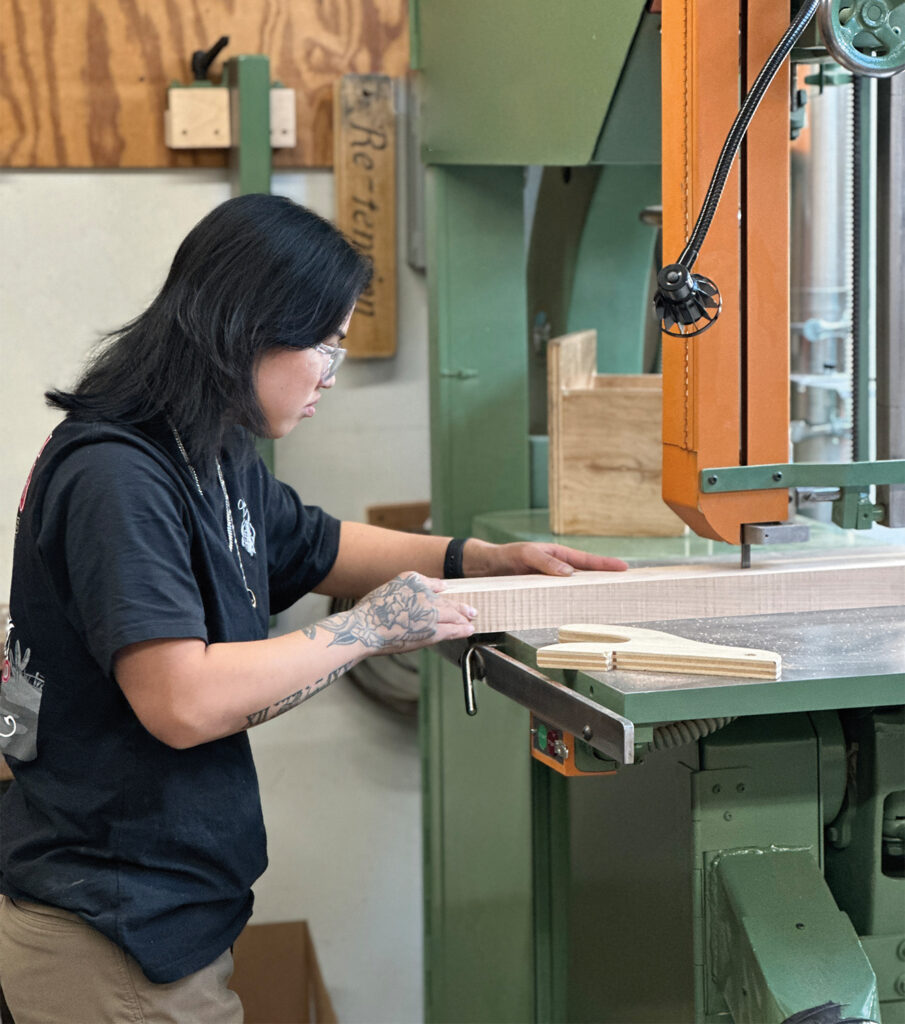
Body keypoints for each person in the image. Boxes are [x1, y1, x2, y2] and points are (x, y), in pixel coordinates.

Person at [0, 193, 626, 1023]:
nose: (330, 376)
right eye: (323, 347)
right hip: (109, 929)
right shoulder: (121, 476)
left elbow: (319, 544)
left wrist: (475, 559)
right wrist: (367, 629)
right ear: (244, 329)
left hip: (166, 910)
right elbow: (181, 702)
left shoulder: (209, 444)